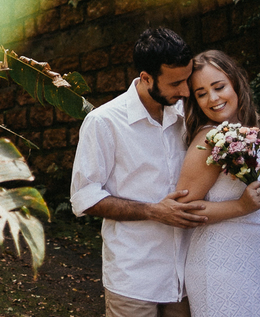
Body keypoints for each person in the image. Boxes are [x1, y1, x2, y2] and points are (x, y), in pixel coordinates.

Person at [71, 28, 214, 317]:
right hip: (133, 279)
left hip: (185, 278)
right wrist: (153, 211)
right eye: (176, 83)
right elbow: (84, 197)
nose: (186, 91)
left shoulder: (188, 115)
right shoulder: (103, 122)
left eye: (187, 79)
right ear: (146, 78)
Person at [177, 50, 260, 316]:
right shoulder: (209, 138)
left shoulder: (249, 136)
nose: (213, 98)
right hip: (225, 265)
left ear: (235, 82)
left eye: (219, 86)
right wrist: (240, 206)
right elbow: (182, 209)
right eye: (200, 93)